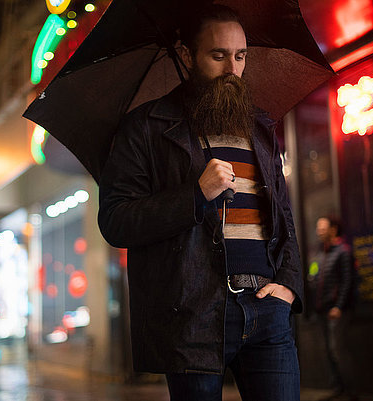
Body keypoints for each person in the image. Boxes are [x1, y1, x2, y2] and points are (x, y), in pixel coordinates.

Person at [98, 5, 303, 400]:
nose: (232, 69)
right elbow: (116, 220)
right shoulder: (146, 126)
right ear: (187, 55)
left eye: (240, 56)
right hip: (193, 315)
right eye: (218, 55)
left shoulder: (259, 126)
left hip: (267, 311)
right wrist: (195, 194)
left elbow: (284, 218)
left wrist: (288, 287)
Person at [308, 216, 357, 401]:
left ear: (334, 229)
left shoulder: (343, 251)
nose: (318, 231)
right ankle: (338, 388)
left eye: (322, 228)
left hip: (337, 310)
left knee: (338, 349)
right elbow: (313, 275)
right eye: (318, 228)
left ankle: (350, 391)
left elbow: (347, 281)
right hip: (322, 310)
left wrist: (339, 306)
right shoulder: (319, 253)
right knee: (328, 350)